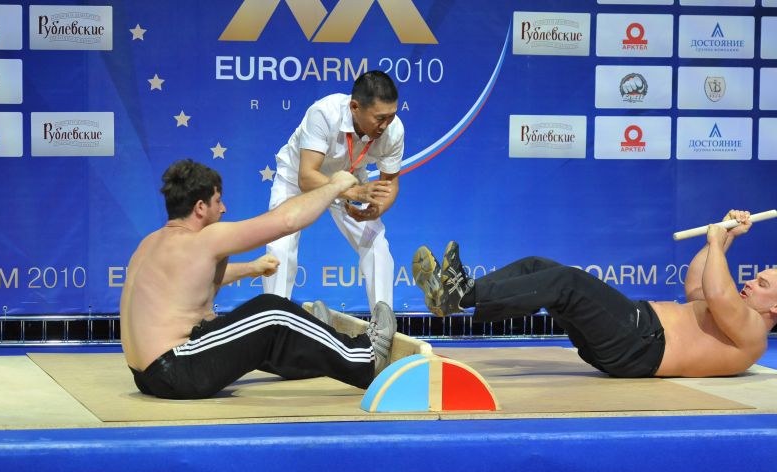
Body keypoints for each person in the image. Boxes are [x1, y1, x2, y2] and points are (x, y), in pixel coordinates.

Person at [120, 159, 396, 400]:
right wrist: (335, 185)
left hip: (146, 376)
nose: (224, 208)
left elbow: (190, 285)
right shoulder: (204, 239)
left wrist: (251, 268)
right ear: (201, 207)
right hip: (176, 370)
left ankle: (313, 347)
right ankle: (365, 358)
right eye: (218, 201)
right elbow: (287, 221)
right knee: (271, 312)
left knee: (251, 331)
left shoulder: (150, 244)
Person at [412, 210, 777, 378]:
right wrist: (727, 237)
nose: (750, 282)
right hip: (633, 337)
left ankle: (461, 295)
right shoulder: (732, 317)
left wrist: (716, 239)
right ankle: (460, 294)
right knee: (539, 267)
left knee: (568, 282)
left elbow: (715, 289)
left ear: (775, 308)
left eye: (761, 284)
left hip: (640, 345)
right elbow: (697, 284)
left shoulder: (753, 333)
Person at [263, 70, 404, 311]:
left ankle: (383, 325)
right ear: (355, 107)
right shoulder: (324, 113)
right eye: (379, 118)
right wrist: (353, 193)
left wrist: (376, 209)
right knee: (280, 246)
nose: (385, 125)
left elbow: (389, 183)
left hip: (350, 180)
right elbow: (307, 177)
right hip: (297, 180)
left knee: (375, 241)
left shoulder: (393, 131)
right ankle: (275, 321)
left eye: (391, 116)